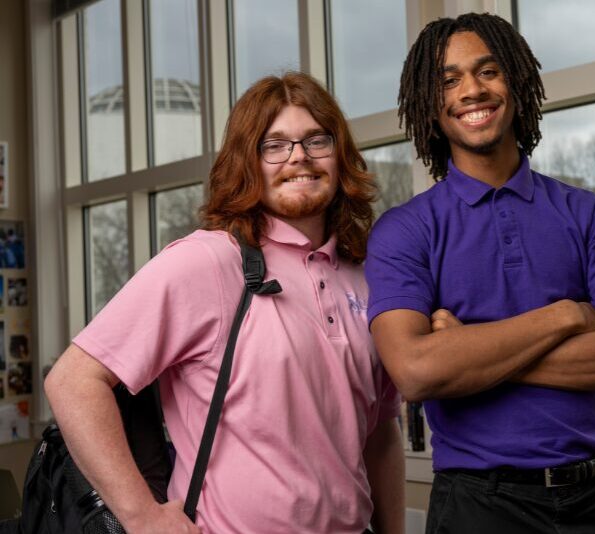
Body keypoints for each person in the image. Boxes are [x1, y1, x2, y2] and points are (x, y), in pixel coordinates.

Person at [45, 72, 404, 534]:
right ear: (247, 163)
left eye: (316, 140)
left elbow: (379, 433)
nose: (298, 156)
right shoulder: (207, 262)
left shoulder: (363, 276)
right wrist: (142, 515)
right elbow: (73, 381)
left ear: (339, 156)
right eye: (274, 145)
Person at [366, 13, 595, 534]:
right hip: (479, 508)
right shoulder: (404, 230)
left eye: (488, 71)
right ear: (429, 105)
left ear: (517, 82)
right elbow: (414, 372)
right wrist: (566, 315)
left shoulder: (588, 214)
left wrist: (467, 352)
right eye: (449, 80)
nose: (472, 91)